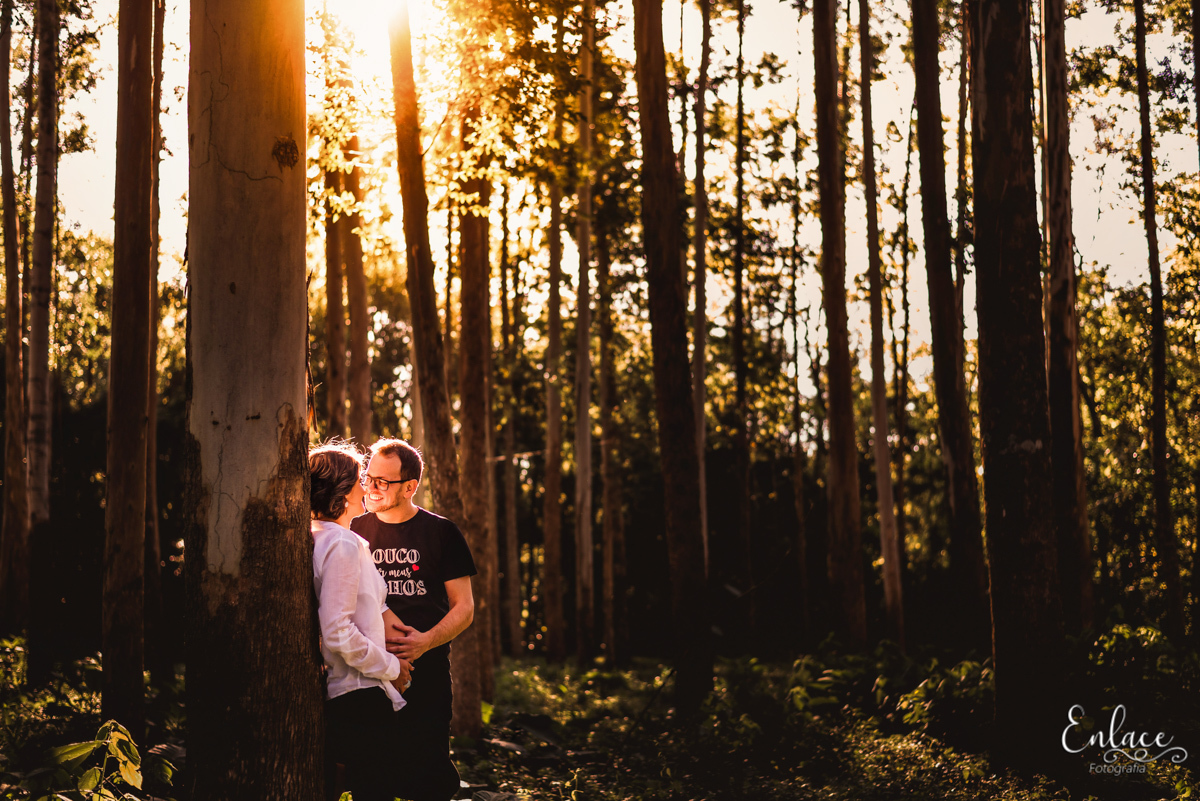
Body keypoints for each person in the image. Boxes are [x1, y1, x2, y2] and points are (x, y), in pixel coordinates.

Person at [352, 438, 477, 801]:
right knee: (370, 781)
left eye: (382, 482)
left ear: (410, 487)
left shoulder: (442, 532)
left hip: (428, 674)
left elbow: (464, 607)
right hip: (367, 675)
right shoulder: (354, 530)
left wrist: (425, 642)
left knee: (427, 779)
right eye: (368, 477)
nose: (371, 488)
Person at [310, 441, 413, 801]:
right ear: (342, 489)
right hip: (359, 696)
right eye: (360, 480)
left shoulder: (322, 537)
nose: (366, 487)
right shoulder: (341, 544)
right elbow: (337, 631)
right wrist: (391, 667)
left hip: (352, 694)